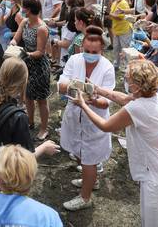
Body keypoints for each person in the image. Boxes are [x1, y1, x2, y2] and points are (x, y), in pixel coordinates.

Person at [73, 60, 158, 226]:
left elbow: (105, 126)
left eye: (127, 78)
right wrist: (98, 89)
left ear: (137, 86)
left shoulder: (138, 108)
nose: (124, 80)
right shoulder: (152, 97)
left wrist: (83, 105)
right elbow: (124, 98)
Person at [59, 26, 115, 211]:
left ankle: (85, 197)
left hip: (94, 120)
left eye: (95, 52)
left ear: (102, 51)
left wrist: (92, 100)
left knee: (89, 158)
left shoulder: (107, 67)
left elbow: (106, 102)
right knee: (77, 152)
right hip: (74, 117)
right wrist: (75, 88)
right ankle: (90, 181)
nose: (90, 54)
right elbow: (61, 84)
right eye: (87, 51)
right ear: (81, 47)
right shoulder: (74, 60)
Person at [10, 0, 51, 141]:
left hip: (39, 66)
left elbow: (40, 52)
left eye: (24, 8)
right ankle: (30, 122)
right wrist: (13, 43)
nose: (22, 10)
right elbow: (16, 37)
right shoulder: (24, 22)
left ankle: (44, 128)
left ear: (28, 9)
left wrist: (24, 54)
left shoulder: (41, 28)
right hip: (27, 64)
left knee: (41, 99)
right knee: (27, 96)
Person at [109, 0, 132, 71]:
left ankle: (127, 67)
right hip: (116, 29)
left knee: (125, 49)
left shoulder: (123, 3)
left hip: (124, 30)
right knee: (116, 48)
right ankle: (116, 64)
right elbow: (112, 14)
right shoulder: (114, 3)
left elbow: (121, 17)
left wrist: (111, 15)